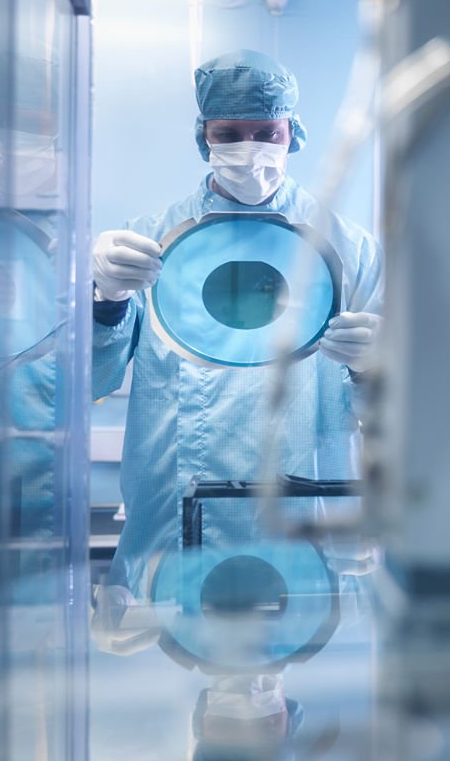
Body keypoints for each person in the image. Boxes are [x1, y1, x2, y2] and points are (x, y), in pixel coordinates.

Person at [90, 50, 383, 611]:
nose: (249, 150)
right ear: (204, 137)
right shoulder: (151, 240)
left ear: (291, 134)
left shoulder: (349, 249)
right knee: (176, 661)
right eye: (230, 133)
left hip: (304, 521)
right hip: (173, 525)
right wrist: (105, 300)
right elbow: (90, 381)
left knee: (293, 647)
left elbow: (389, 414)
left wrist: (374, 366)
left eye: (265, 132)